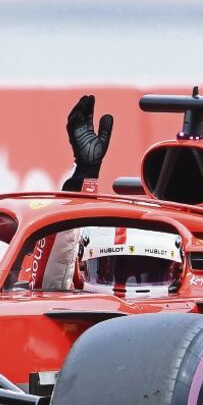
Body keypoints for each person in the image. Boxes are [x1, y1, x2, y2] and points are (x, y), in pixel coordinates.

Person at [25, 95, 184, 298]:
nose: (126, 286)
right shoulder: (72, 305)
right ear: (83, 266)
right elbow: (49, 283)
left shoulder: (190, 316)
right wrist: (84, 173)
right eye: (108, 269)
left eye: (147, 271)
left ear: (177, 271)